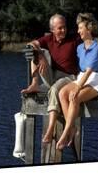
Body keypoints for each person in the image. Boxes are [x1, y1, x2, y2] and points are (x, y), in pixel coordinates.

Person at [21, 14, 82, 143]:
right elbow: (30, 44)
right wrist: (41, 56)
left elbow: (89, 42)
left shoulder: (74, 39)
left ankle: (50, 128)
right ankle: (35, 83)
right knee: (36, 50)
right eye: (60, 28)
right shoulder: (48, 39)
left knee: (54, 90)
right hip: (53, 75)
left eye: (64, 27)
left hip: (69, 77)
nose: (63, 30)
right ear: (52, 30)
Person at [56, 13, 98, 150]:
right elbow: (80, 69)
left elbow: (90, 70)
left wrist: (77, 88)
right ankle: (72, 128)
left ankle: (66, 132)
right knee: (62, 93)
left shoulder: (97, 47)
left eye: (81, 28)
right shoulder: (79, 48)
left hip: (97, 79)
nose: (78, 31)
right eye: (78, 28)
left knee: (75, 97)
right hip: (82, 77)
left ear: (89, 29)